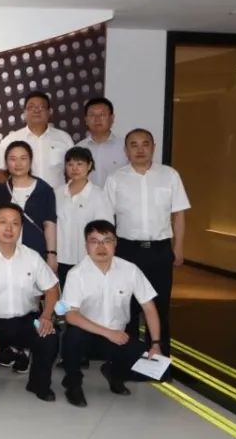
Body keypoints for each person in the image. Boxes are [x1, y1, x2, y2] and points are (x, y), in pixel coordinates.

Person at [103, 128, 189, 358]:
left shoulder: (170, 175)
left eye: (145, 144)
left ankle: (159, 359)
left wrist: (178, 247)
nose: (140, 149)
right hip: (126, 250)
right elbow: (107, 219)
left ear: (153, 147)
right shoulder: (115, 178)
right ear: (126, 150)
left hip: (159, 250)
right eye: (134, 145)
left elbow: (179, 214)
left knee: (160, 307)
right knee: (127, 308)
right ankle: (128, 359)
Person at [0, 204, 61, 402]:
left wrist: (46, 316)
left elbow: (52, 289)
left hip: (27, 320)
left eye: (15, 223)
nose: (9, 228)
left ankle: (38, 383)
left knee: (49, 336)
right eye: (3, 222)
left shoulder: (32, 257)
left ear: (21, 227)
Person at [60, 220, 163, 407]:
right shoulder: (76, 274)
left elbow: (149, 307)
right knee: (72, 337)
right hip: (87, 335)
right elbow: (71, 316)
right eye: (94, 241)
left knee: (155, 369)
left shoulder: (130, 270)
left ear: (115, 243)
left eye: (107, 240)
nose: (101, 247)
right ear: (86, 245)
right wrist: (108, 333)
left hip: (117, 336)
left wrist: (155, 344)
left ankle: (114, 373)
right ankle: (73, 384)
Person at [55, 146, 113, 285]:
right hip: (61, 259)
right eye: (70, 164)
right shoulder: (57, 193)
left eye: (79, 164)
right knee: (63, 296)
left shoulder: (99, 195)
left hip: (88, 259)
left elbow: (105, 230)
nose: (74, 168)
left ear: (89, 165)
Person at [0, 91, 74, 188]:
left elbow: (74, 170)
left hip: (58, 196)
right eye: (31, 107)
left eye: (41, 107)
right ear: (24, 113)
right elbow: (1, 172)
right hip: (21, 197)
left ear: (49, 112)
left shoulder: (64, 138)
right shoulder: (10, 140)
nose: (36, 110)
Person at [4, 141, 58, 266]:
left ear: (30, 161)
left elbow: (49, 224)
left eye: (23, 158)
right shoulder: (1, 189)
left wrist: (51, 254)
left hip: (36, 253)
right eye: (13, 159)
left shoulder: (44, 189)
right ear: (6, 163)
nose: (18, 164)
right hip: (6, 254)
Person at [76, 97, 128, 187]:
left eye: (102, 115)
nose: (97, 119)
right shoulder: (78, 149)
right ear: (86, 120)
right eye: (92, 115)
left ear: (112, 118)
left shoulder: (125, 147)